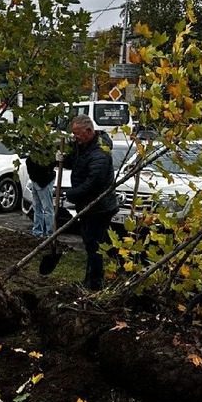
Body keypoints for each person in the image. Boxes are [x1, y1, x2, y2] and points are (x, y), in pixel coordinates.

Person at [62, 114, 118, 291]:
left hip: (99, 206)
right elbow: (76, 163)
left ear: (88, 131)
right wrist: (63, 158)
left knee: (94, 245)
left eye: (77, 134)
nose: (75, 137)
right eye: (73, 134)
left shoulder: (100, 152)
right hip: (88, 205)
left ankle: (95, 283)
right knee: (92, 243)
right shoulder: (84, 146)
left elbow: (93, 182)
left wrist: (72, 194)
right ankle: (95, 276)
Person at [25, 153, 56, 238]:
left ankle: (49, 234)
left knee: (47, 208)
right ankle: (38, 232)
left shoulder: (47, 152)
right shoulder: (34, 153)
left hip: (44, 181)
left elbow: (51, 164)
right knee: (37, 207)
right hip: (36, 180)